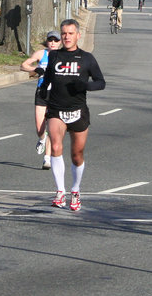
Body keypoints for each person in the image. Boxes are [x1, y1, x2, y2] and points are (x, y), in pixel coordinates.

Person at [43, 19, 106, 211]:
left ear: (78, 35)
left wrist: (85, 86)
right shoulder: (53, 57)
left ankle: (75, 190)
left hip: (78, 111)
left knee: (77, 155)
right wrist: (42, 97)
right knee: (55, 146)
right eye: (64, 33)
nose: (66, 37)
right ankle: (60, 191)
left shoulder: (87, 58)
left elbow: (101, 82)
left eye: (70, 33)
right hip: (56, 109)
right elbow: (46, 80)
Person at [21, 31, 62, 169]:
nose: (53, 43)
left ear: (60, 42)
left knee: (51, 126)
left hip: (56, 94)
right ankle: (42, 139)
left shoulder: (63, 55)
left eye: (56, 41)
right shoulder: (41, 54)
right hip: (42, 92)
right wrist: (36, 69)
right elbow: (23, 65)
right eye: (50, 40)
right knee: (40, 127)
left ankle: (47, 159)